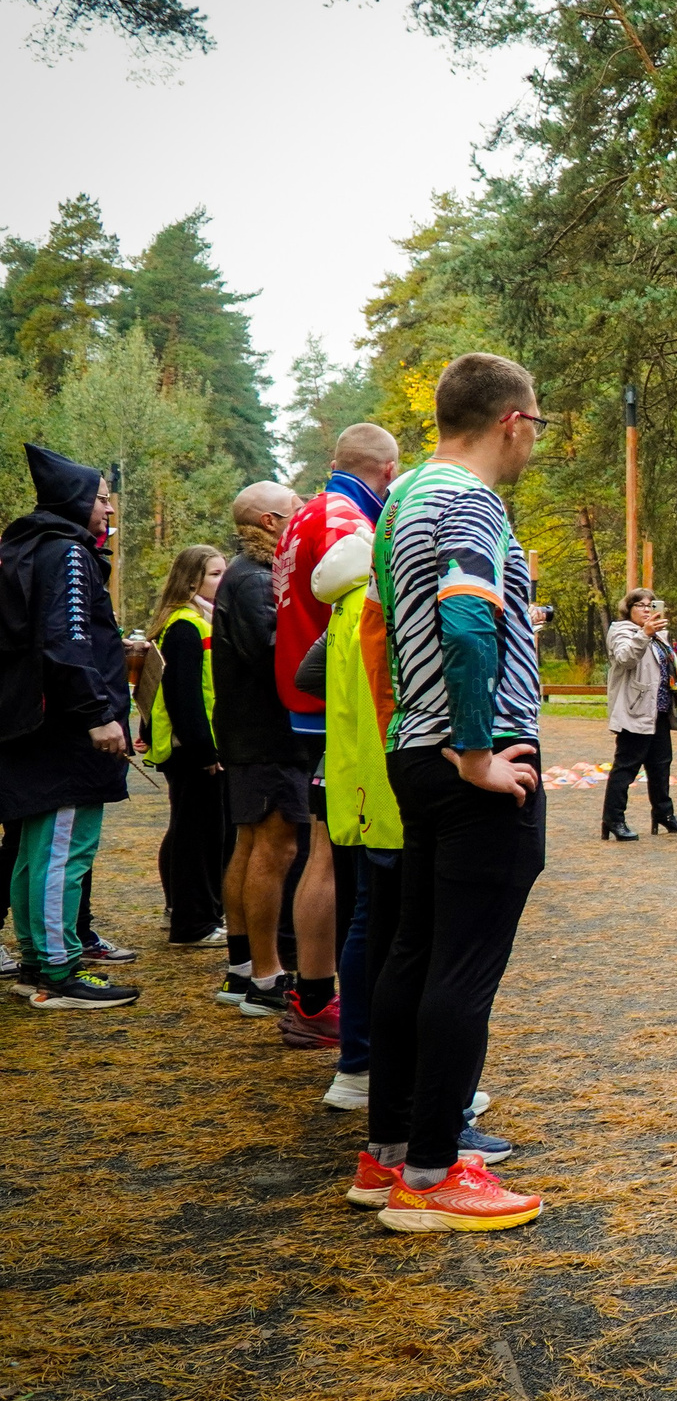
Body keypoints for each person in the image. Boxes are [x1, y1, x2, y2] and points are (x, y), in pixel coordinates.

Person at [353, 351, 550, 1230]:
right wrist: (475, 750)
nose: (535, 440)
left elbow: (387, 628)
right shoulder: (470, 500)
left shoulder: (402, 499)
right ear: (511, 420)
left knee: (415, 951)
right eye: (536, 423)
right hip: (474, 754)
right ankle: (433, 1175)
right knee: (462, 966)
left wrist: (422, 732)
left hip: (415, 747)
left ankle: (389, 1152)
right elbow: (468, 618)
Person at [270, 423, 401, 1048]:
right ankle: (320, 998)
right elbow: (358, 607)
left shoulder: (302, 514)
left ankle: (317, 993)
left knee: (325, 852)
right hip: (337, 710)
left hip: (307, 701)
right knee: (335, 858)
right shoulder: (347, 520)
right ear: (388, 469)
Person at [0, 445, 138, 1009]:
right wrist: (98, 714)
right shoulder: (69, 553)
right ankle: (59, 973)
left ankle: (37, 962)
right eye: (102, 498)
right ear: (75, 500)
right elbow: (67, 640)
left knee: (35, 849)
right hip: (67, 731)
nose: (110, 508)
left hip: (35, 726)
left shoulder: (29, 547)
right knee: (63, 849)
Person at [213, 479, 306, 1019]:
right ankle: (267, 977)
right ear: (269, 522)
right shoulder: (253, 577)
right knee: (275, 849)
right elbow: (273, 652)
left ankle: (243, 967)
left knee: (251, 846)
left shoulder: (246, 572)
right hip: (268, 736)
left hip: (252, 734)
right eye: (295, 507)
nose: (303, 513)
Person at [144, 544, 228, 950]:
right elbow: (183, 695)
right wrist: (204, 751)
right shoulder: (185, 625)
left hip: (198, 746)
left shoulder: (201, 621)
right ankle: (193, 923)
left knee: (192, 831)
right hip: (193, 750)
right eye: (214, 574)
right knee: (196, 836)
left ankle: (192, 911)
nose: (223, 581)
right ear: (191, 580)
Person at [602, 588, 677, 837]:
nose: (646, 609)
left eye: (651, 605)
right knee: (626, 767)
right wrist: (644, 634)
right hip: (635, 711)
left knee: (661, 766)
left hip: (659, 711)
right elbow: (625, 658)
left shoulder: (659, 635)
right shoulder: (621, 631)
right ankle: (613, 819)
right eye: (640, 605)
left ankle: (664, 814)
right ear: (628, 609)